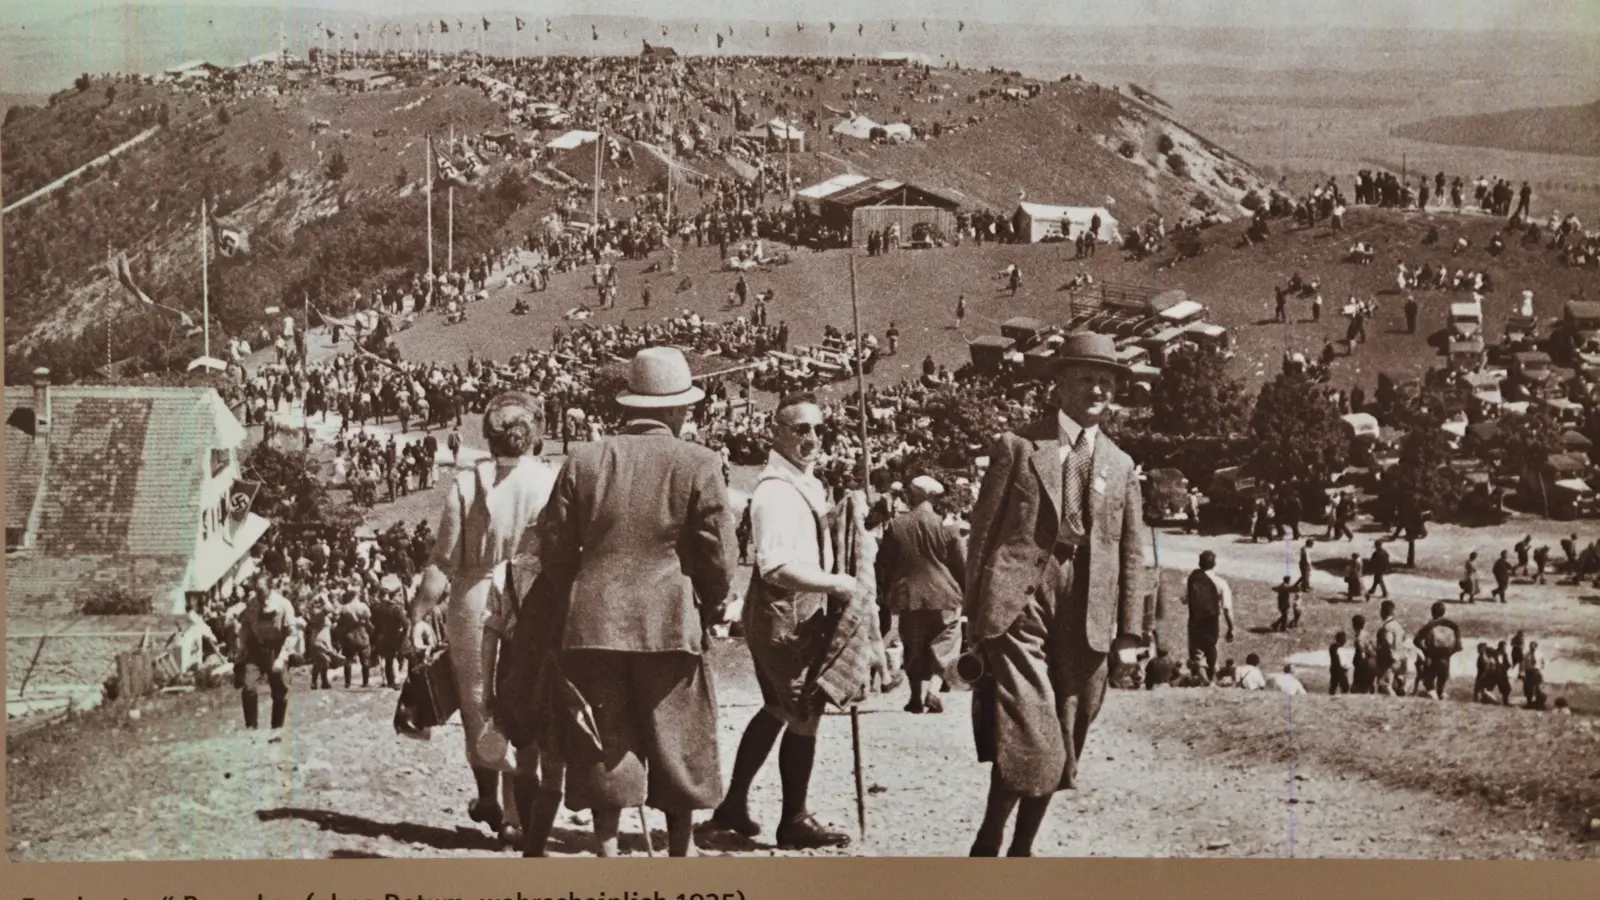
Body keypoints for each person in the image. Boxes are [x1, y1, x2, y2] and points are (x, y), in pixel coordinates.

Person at [538, 348, 733, 857]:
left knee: (604, 735)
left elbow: (554, 549)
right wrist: (707, 609)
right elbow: (718, 557)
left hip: (593, 622)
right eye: (686, 407)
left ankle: (606, 848)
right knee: (678, 734)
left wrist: (572, 601)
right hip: (669, 622)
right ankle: (680, 849)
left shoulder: (584, 459)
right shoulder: (700, 462)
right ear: (673, 411)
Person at [960, 331, 1148, 858]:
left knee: (1069, 730)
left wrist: (1129, 633)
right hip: (1020, 601)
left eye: (1107, 381)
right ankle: (991, 834)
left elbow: (1131, 552)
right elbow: (982, 535)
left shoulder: (1120, 463)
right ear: (1060, 383)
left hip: (1086, 609)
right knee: (1034, 727)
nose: (1097, 389)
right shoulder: (1019, 447)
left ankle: (1018, 846)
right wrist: (972, 617)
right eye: (1086, 377)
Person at [712, 392, 885, 849]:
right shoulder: (775, 493)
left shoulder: (803, 482)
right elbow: (775, 567)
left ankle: (732, 806)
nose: (811, 438)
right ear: (776, 432)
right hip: (785, 616)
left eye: (817, 429)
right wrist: (839, 584)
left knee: (775, 708)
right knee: (804, 713)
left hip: (790, 613)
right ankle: (794, 821)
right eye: (799, 429)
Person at [411, 390, 559, 847]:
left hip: (474, 597)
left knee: (479, 701)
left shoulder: (467, 483)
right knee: (527, 696)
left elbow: (442, 562)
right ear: (533, 434)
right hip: (533, 596)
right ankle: (518, 810)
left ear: (489, 437)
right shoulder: (552, 479)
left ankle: (492, 801)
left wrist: (418, 614)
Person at [878, 475, 966, 714]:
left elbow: (884, 562)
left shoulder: (897, 525)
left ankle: (916, 697)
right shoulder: (947, 526)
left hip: (909, 595)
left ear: (913, 496)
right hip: (944, 594)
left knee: (914, 645)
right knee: (944, 644)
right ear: (934, 498)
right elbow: (960, 564)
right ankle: (934, 692)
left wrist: (887, 592)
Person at [235, 574, 297, 731]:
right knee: (248, 686)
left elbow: (292, 634)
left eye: (261, 590)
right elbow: (245, 627)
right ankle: (251, 727)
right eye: (256, 590)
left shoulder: (283, 604)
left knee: (279, 691)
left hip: (277, 649)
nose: (258, 594)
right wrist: (241, 649)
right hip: (256, 649)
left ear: (271, 588)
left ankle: (277, 728)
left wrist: (282, 658)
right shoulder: (252, 603)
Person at [1185, 550, 1235, 680]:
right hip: (1211, 621)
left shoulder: (1192, 579)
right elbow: (1227, 609)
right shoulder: (1220, 583)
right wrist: (1231, 628)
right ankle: (1211, 678)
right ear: (1215, 564)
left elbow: (1184, 599)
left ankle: (1200, 679)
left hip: (1195, 620)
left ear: (1199, 563)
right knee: (1211, 647)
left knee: (1197, 652)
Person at [1412, 602, 1462, 700]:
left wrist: (1426, 651)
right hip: (1446, 659)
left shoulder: (1430, 625)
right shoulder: (1453, 625)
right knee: (1441, 688)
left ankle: (1433, 697)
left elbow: (1416, 641)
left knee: (1429, 684)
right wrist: (1448, 654)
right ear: (1444, 612)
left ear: (1432, 612)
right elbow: (1458, 647)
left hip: (1432, 657)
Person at [1374, 601, 1408, 697]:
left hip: (1391, 660)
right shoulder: (1398, 625)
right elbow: (1404, 638)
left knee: (1384, 685)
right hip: (1402, 658)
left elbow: (1388, 642)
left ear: (1382, 611)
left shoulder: (1386, 627)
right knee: (1398, 687)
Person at [1350, 614, 1376, 693]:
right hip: (1372, 661)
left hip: (1364, 664)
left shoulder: (1358, 639)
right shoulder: (1367, 634)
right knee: (1369, 684)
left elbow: (1362, 653)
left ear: (1354, 625)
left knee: (1358, 688)